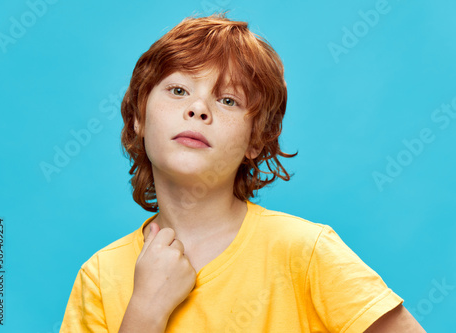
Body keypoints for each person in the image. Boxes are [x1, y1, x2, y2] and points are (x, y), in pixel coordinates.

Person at [60, 12, 426, 333]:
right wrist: (145, 312)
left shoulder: (306, 253)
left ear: (255, 140)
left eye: (228, 100)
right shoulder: (99, 277)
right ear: (139, 117)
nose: (198, 109)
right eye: (178, 90)